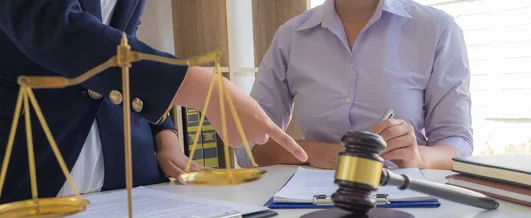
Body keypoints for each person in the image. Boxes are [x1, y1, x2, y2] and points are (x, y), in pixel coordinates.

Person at [0, 0, 307, 205]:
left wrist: (164, 134)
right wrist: (206, 89)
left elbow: (122, 42)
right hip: (28, 170)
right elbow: (51, 26)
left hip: (129, 183)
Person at [236, 0, 472, 171]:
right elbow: (249, 146)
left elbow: (457, 144)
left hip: (406, 197)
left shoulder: (438, 29)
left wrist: (419, 157)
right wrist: (326, 154)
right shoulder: (290, 36)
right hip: (311, 200)